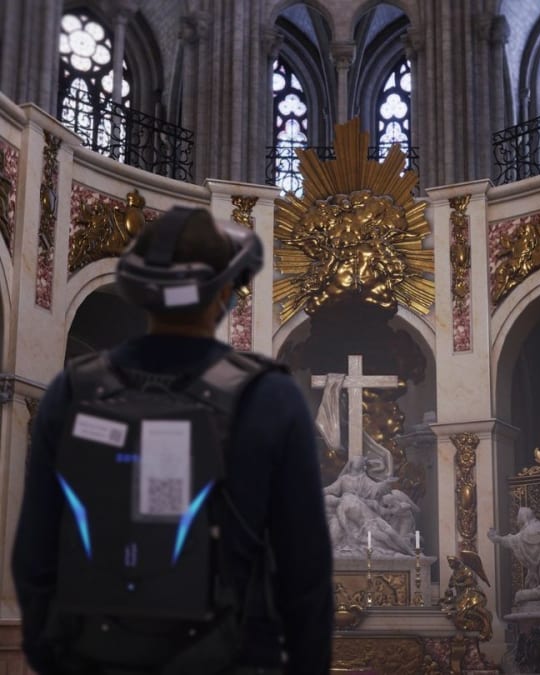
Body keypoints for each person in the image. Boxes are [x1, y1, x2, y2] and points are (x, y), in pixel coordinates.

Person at [12, 206, 333, 674]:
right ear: (224, 292)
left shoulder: (72, 390)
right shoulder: (271, 398)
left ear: (142, 294)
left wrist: (54, 658)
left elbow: (35, 553)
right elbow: (305, 573)